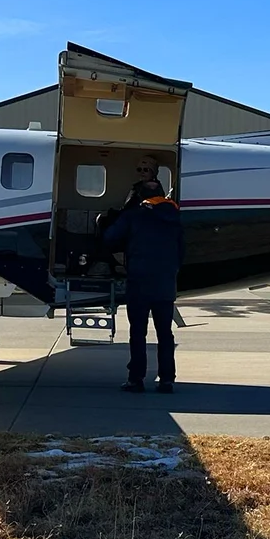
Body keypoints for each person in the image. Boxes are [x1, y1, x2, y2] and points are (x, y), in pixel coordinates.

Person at [101, 159, 184, 392]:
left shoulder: (134, 215)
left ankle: (136, 378)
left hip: (139, 283)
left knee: (138, 333)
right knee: (164, 333)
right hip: (165, 284)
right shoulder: (174, 219)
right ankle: (167, 379)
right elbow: (181, 252)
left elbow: (109, 238)